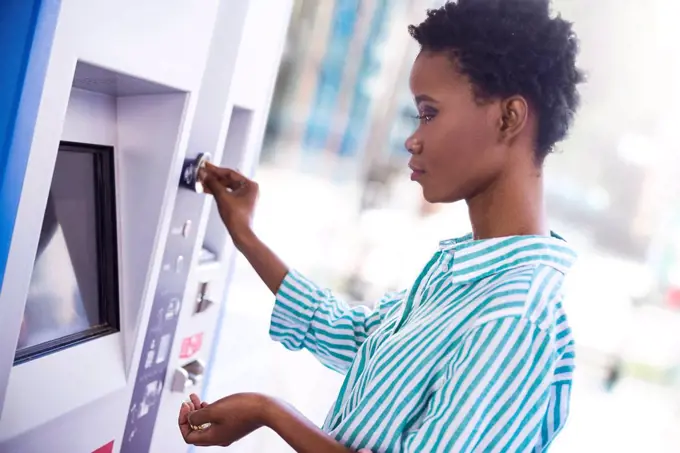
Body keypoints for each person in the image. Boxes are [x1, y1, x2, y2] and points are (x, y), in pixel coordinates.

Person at [178, 0, 585, 451]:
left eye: (429, 113)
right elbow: (357, 338)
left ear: (508, 118)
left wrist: (267, 411)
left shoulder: (513, 319)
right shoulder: (462, 277)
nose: (413, 139)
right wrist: (246, 236)